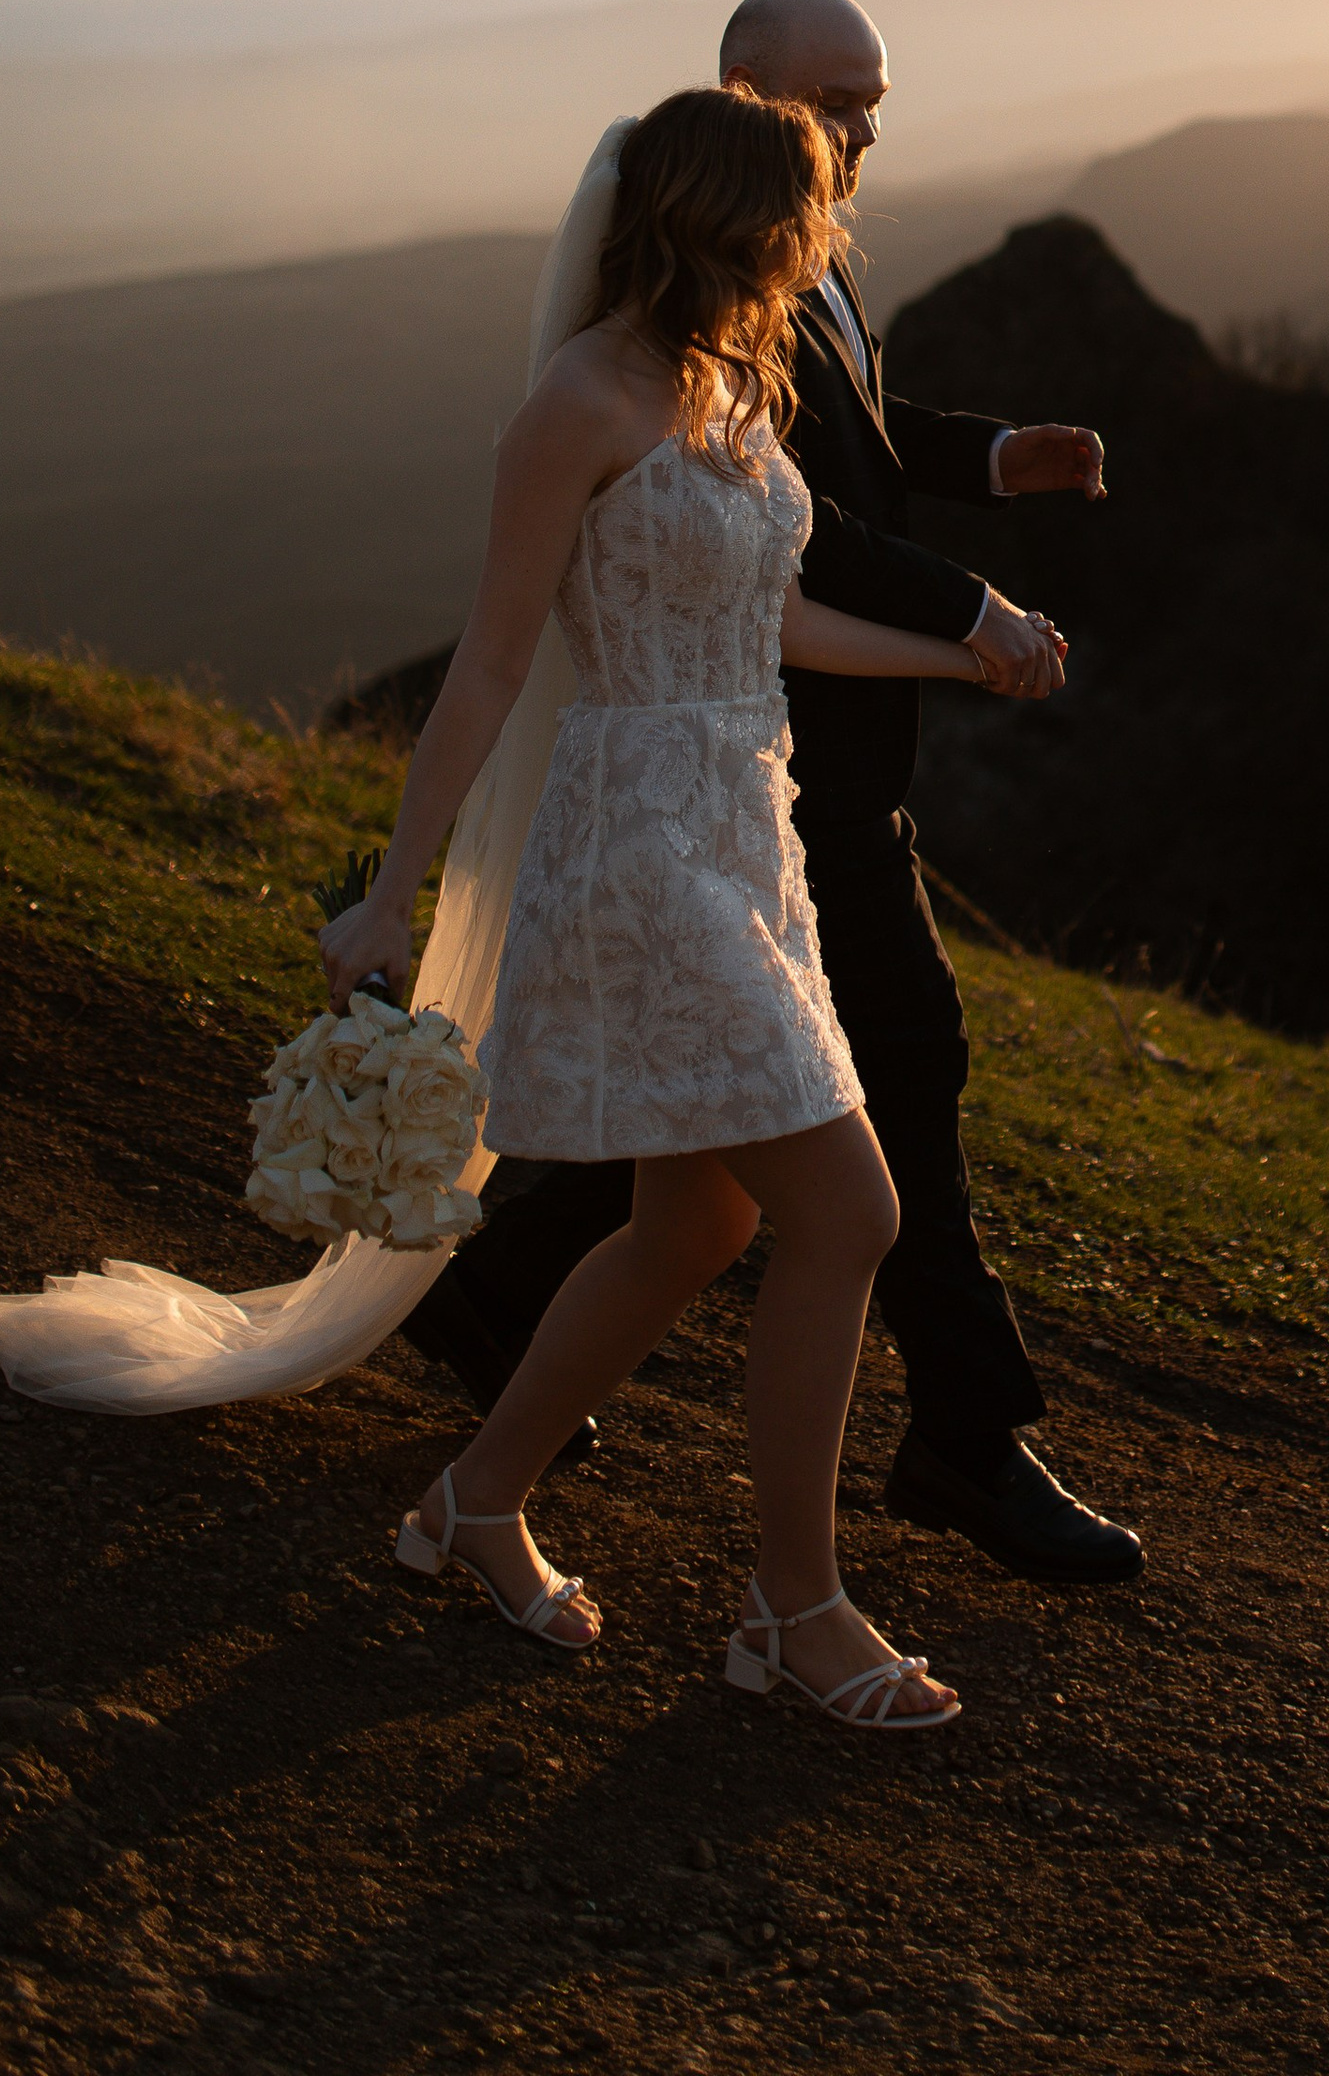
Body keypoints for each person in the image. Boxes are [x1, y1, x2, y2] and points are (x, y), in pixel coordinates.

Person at [317, 83, 1040, 1722]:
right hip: (638, 845)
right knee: (849, 1210)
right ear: (726, 218)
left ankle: (475, 1502)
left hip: (745, 828)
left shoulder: (733, 380)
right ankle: (796, 1608)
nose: (821, 236)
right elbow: (494, 664)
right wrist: (390, 900)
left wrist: (962, 648)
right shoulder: (574, 408)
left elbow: (772, 614)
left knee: (700, 1220)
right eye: (804, 210)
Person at [412, 0, 1143, 1584]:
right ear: (749, 94)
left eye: (878, 102)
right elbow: (802, 536)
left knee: (713, 1155)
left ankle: (493, 1340)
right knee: (884, 1109)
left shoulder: (785, 283)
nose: (867, 133)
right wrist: (971, 612)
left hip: (764, 788)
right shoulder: (680, 325)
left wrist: (996, 460)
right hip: (736, 783)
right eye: (842, 104)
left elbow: (843, 468)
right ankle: (941, 1460)